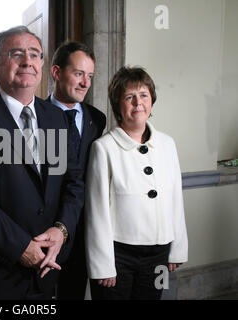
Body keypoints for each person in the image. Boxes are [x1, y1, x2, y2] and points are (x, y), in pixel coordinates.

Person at [0, 26, 84, 299]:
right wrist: (19, 246)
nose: (27, 61)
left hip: (49, 268)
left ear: (42, 65)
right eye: (16, 54)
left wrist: (61, 230)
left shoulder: (57, 118)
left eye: (35, 54)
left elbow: (74, 183)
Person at [85, 66, 188, 300]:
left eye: (143, 95)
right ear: (117, 105)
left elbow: (175, 199)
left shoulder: (167, 144)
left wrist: (178, 248)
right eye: (129, 97)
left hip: (158, 255)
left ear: (152, 101)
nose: (138, 103)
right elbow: (97, 211)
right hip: (118, 256)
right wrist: (103, 265)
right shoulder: (104, 148)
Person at [47, 41, 106, 300]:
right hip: (48, 227)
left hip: (88, 229)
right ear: (57, 72)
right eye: (78, 74)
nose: (85, 83)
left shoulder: (97, 119)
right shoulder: (35, 117)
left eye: (90, 76)